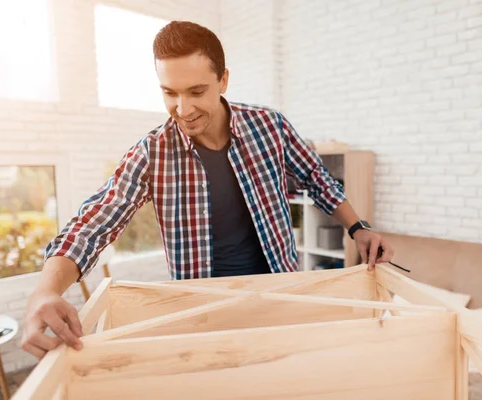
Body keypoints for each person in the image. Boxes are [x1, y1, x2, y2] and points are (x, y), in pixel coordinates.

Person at [21, 21, 395, 359]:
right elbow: (91, 226)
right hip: (202, 308)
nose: (183, 109)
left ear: (224, 80)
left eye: (196, 91)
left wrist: (357, 228)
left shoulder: (269, 127)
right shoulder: (152, 153)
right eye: (170, 93)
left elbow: (316, 176)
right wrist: (44, 292)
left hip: (279, 292)